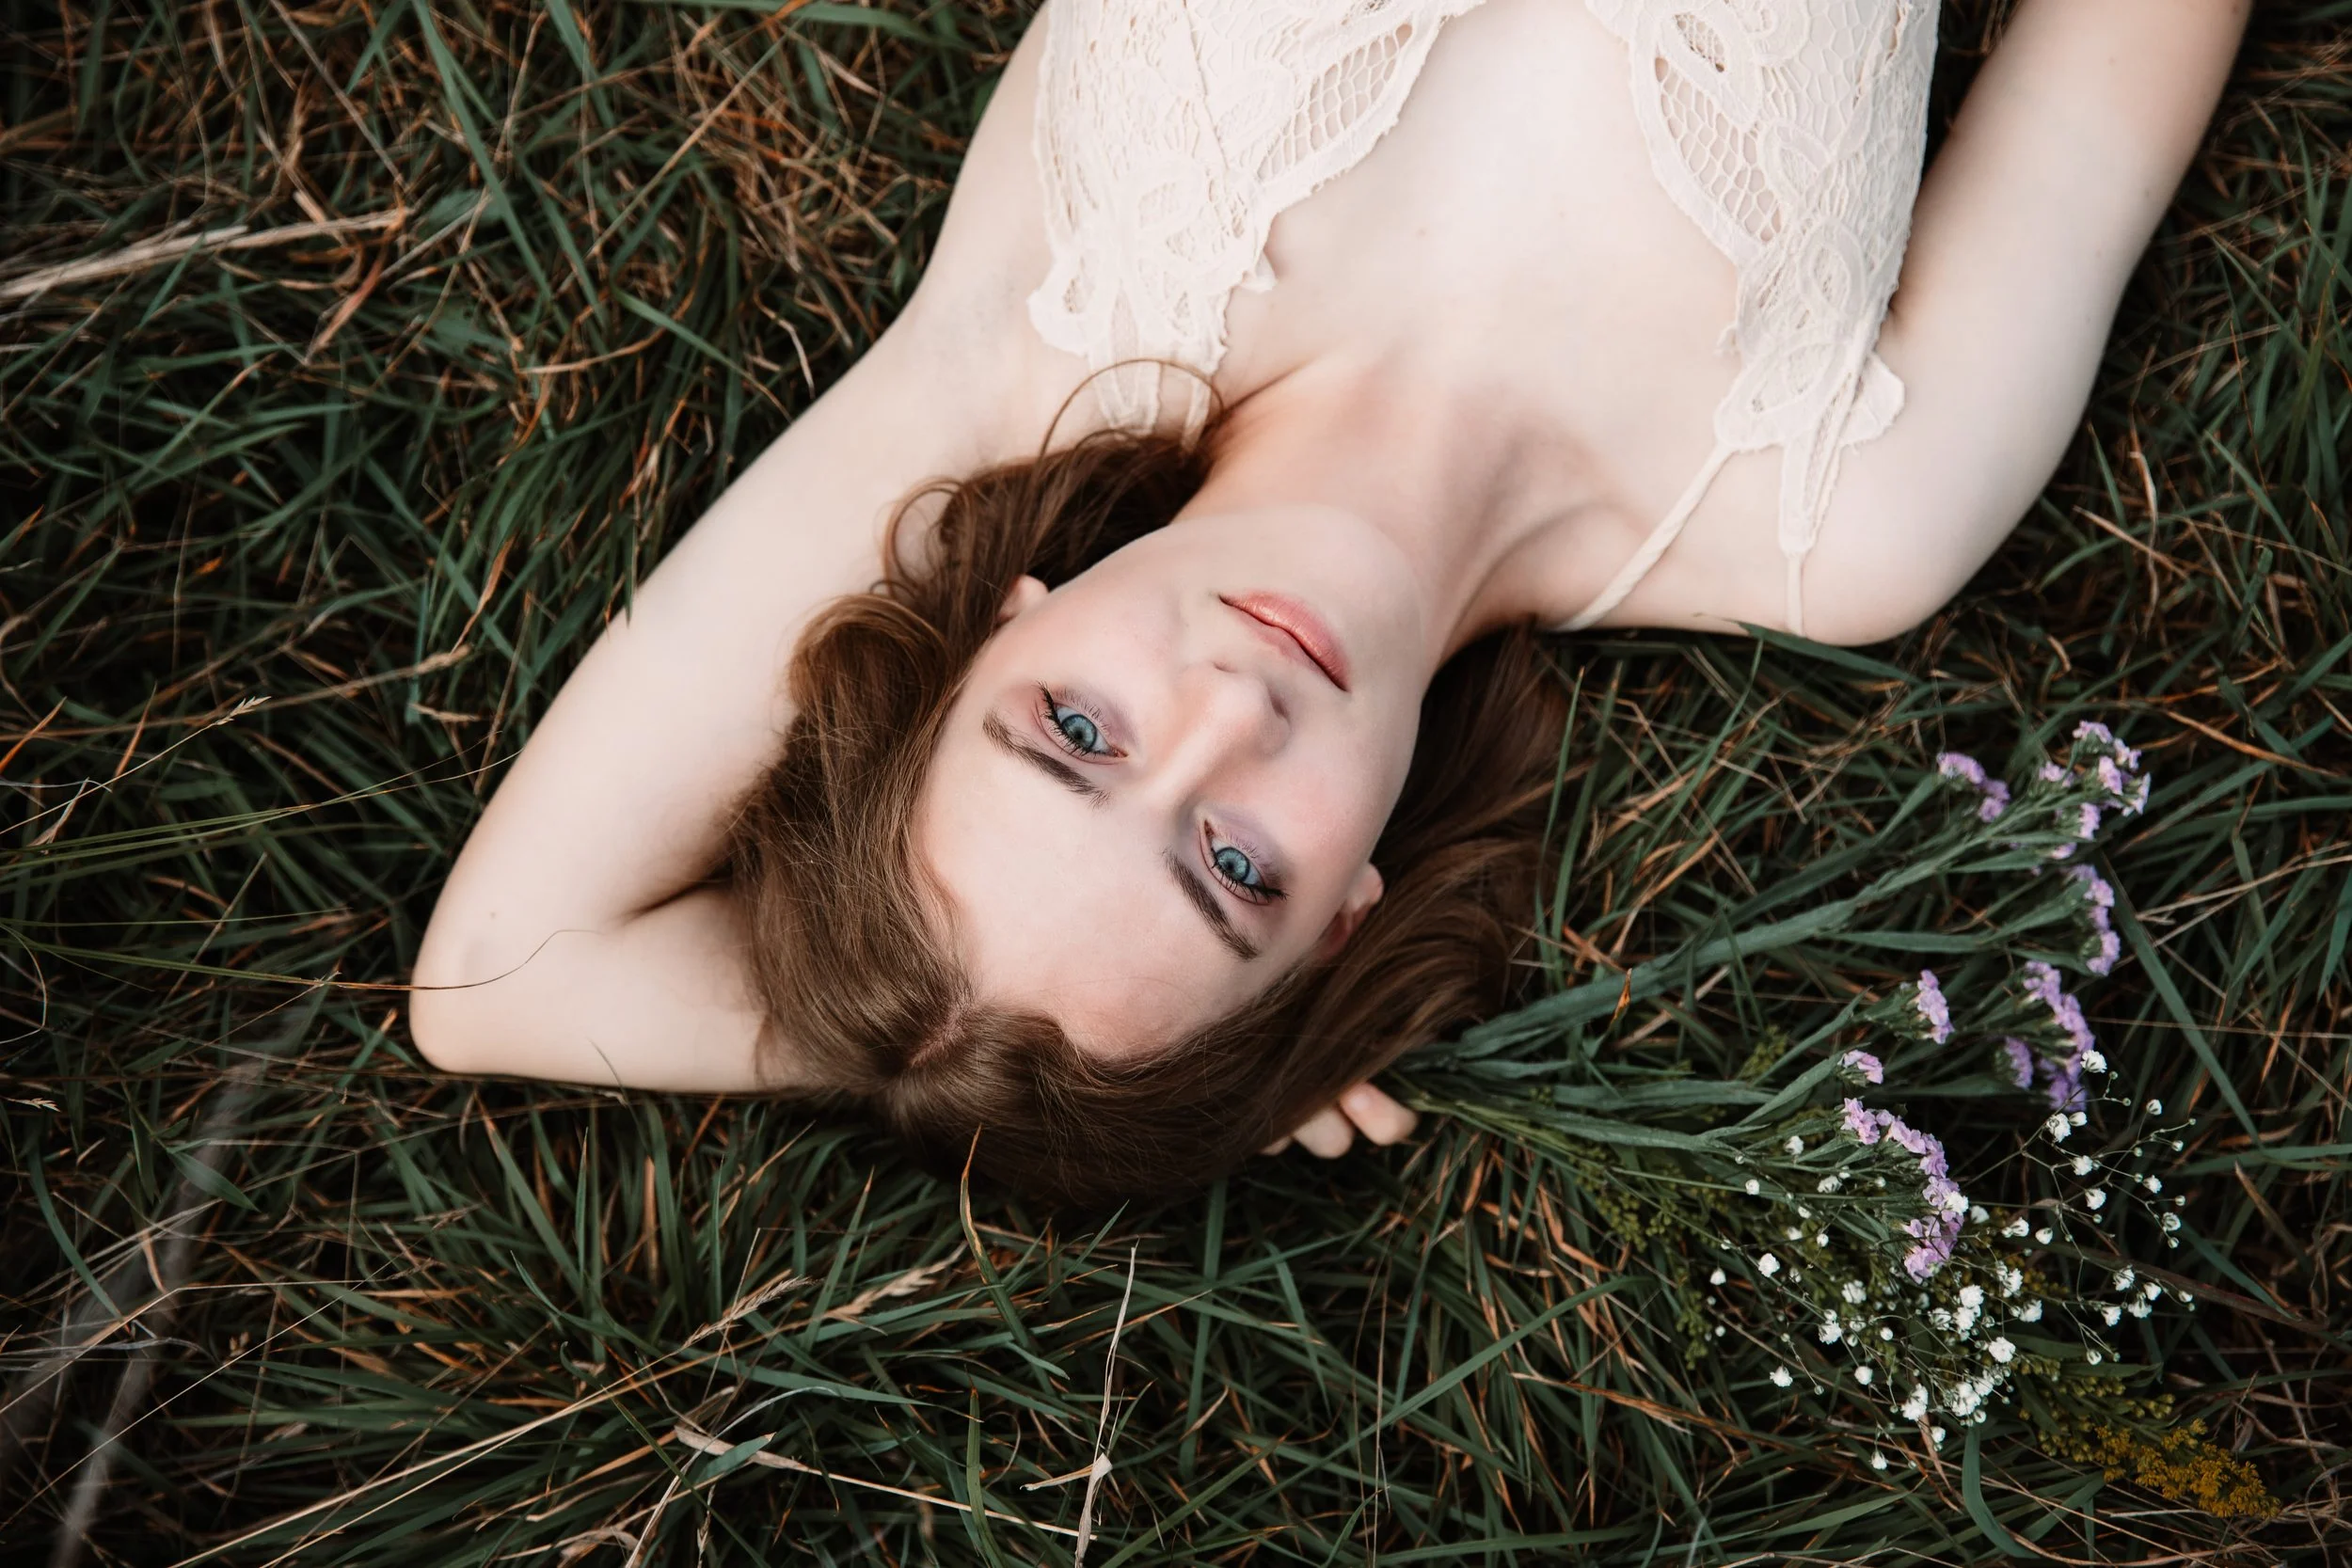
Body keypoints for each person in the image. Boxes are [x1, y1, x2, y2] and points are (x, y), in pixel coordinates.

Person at [409, 0, 2250, 1204]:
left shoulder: (1045, 327)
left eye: (1073, 732)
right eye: (1230, 868)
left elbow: (492, 979)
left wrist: (944, 1034)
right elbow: (2106, 93)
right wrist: (1160, 1057)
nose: (1227, 706)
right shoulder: (1838, 518)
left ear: (1001, 622)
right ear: (1344, 924)